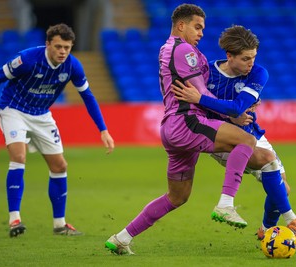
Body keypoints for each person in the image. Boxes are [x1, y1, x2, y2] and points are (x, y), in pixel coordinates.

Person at [104, 4, 256, 255]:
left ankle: (121, 238)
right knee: (247, 141)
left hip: (172, 128)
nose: (201, 33)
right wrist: (232, 112)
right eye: (197, 27)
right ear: (181, 25)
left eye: (203, 28)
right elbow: (201, 94)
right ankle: (226, 203)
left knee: (177, 197)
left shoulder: (172, 49)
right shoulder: (183, 49)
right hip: (188, 122)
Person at [171, 25, 296, 245]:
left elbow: (238, 107)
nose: (251, 63)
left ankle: (266, 229)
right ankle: (291, 221)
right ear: (229, 56)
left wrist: (201, 99)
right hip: (224, 139)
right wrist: (226, 115)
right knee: (269, 166)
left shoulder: (258, 73)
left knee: (283, 189)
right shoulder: (207, 73)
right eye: (246, 58)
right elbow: (202, 113)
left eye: (254, 57)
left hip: (252, 133)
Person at [0, 23, 115, 237]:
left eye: (67, 48)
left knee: (60, 165)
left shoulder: (72, 66)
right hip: (13, 109)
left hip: (41, 114)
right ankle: (15, 219)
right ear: (48, 44)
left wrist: (103, 130)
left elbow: (88, 97)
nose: (62, 52)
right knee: (18, 156)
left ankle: (59, 224)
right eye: (58, 46)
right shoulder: (27, 59)